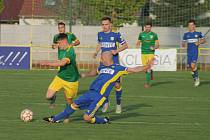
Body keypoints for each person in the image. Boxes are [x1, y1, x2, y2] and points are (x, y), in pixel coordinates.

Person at [43, 51, 153, 124]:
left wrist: (146, 67)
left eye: (102, 58)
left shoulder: (118, 68)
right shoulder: (102, 67)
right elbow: (94, 72)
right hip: (90, 92)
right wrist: (84, 74)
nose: (100, 60)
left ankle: (104, 120)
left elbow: (134, 69)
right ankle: (54, 119)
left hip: (100, 96)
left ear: (107, 58)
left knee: (86, 118)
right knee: (74, 105)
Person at [93, 17, 129, 114]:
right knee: (103, 84)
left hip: (114, 63)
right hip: (104, 63)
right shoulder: (100, 34)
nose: (104, 26)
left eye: (106, 24)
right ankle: (106, 102)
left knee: (117, 84)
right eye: (103, 24)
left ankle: (118, 104)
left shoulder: (116, 35)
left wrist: (116, 51)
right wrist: (96, 52)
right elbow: (100, 44)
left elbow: (125, 45)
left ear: (110, 25)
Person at [41, 33, 80, 115]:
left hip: (71, 81)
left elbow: (62, 63)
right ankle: (53, 97)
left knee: (69, 103)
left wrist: (47, 63)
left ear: (64, 41)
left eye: (59, 43)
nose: (57, 45)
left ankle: (67, 115)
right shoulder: (62, 49)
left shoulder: (70, 52)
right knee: (48, 96)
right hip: (60, 76)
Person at [182, 19, 205, 87]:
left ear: (194, 26)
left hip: (195, 51)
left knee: (192, 65)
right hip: (189, 52)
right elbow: (183, 43)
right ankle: (195, 78)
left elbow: (203, 40)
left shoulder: (198, 33)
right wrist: (184, 44)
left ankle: (197, 78)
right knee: (190, 67)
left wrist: (199, 42)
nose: (190, 26)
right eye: (189, 25)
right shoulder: (186, 34)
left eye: (192, 25)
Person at [136, 22, 159, 88]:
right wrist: (137, 44)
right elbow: (138, 42)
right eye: (146, 27)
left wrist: (154, 47)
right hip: (143, 53)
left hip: (150, 53)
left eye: (149, 27)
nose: (147, 28)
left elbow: (158, 45)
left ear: (151, 27)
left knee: (148, 68)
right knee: (145, 69)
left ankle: (147, 83)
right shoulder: (141, 34)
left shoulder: (154, 35)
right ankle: (150, 72)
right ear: (145, 27)